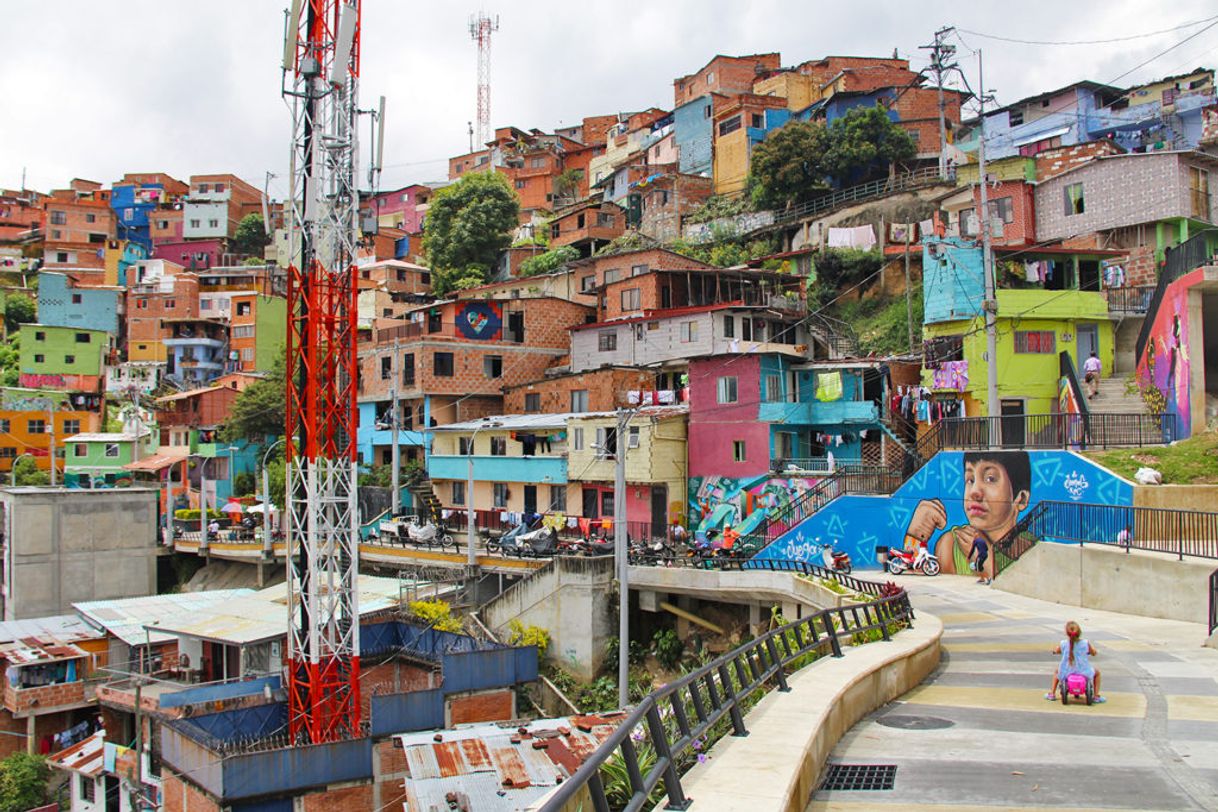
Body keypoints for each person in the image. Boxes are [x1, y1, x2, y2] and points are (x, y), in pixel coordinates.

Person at [904, 451, 1032, 577]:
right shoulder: (951, 545)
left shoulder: (1034, 548)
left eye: (990, 479)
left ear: (1021, 499)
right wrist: (914, 537)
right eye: (970, 480)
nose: (974, 492)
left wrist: (986, 563)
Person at [1047, 620, 1104, 702]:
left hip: (1067, 672)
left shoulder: (1063, 643)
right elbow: (1093, 652)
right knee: (1097, 673)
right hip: (1083, 672)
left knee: (1057, 672)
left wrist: (1055, 651)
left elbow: (1057, 650)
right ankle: (1096, 696)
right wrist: (1094, 652)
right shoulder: (1085, 643)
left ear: (1067, 633)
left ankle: (1052, 693)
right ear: (1079, 632)